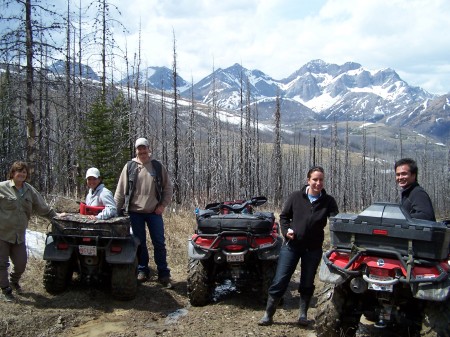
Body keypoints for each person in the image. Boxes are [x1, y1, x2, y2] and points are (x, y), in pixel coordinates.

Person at [259, 166, 339, 326]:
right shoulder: (296, 197)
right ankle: (268, 314)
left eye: (321, 179)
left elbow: (336, 223)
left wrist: (338, 242)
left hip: (313, 248)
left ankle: (303, 314)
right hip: (292, 246)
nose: (318, 183)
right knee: (280, 279)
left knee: (307, 281)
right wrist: (285, 231)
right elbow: (284, 217)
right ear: (308, 180)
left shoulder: (328, 201)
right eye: (315, 179)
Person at [114, 137, 173, 288]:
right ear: (136, 150)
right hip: (135, 212)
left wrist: (162, 206)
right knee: (139, 244)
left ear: (148, 148)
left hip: (154, 212)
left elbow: (168, 189)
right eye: (139, 149)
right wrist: (114, 211)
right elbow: (120, 191)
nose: (142, 151)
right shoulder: (130, 167)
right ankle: (142, 270)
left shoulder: (157, 167)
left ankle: (163, 273)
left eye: (144, 148)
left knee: (159, 243)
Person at [0, 161, 59, 302]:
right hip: (2, 234)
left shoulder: (29, 190)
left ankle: (14, 281)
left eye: (24, 172)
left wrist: (56, 217)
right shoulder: (2, 187)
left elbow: (42, 207)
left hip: (19, 235)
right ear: (13, 173)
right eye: (19, 171)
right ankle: (5, 290)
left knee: (21, 263)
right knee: (2, 264)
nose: (22, 174)